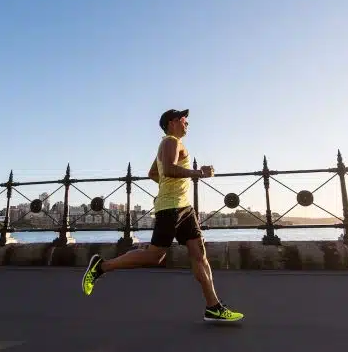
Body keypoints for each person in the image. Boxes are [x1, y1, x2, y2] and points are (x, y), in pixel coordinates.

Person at [81, 109, 244, 323]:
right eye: (184, 119)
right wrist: (198, 173)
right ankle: (101, 266)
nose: (187, 123)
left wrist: (171, 188)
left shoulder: (171, 143)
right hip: (171, 209)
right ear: (172, 122)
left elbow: (154, 173)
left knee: (199, 253)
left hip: (184, 208)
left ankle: (213, 306)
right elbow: (167, 169)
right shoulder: (170, 141)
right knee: (154, 256)